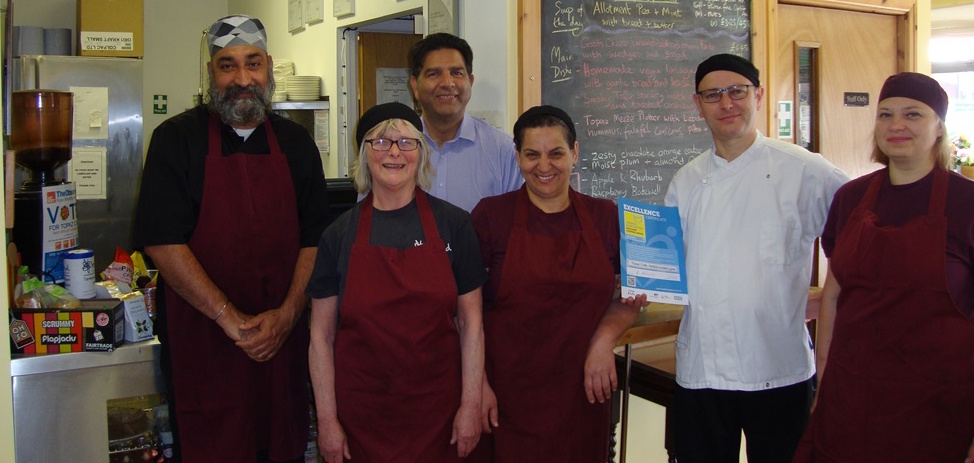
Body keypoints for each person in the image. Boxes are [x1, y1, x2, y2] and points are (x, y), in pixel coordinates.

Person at [132, 15, 330, 463]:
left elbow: (315, 240)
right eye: (227, 65)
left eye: (252, 63)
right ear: (210, 73)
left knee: (280, 445)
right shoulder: (175, 140)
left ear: (269, 67)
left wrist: (285, 317)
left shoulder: (296, 145)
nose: (242, 79)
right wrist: (230, 319)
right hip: (203, 346)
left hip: (281, 348)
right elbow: (163, 242)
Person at [663, 53, 848, 463]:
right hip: (703, 370)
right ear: (698, 105)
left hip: (778, 366)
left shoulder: (805, 170)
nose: (726, 103)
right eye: (713, 95)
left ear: (758, 95)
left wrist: (831, 297)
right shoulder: (687, 179)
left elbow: (861, 235)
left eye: (737, 91)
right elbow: (670, 262)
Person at [793, 73, 974, 463]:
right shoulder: (851, 198)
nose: (896, 125)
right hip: (853, 400)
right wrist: (824, 385)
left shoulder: (968, 204)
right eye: (885, 114)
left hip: (939, 405)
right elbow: (835, 297)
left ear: (939, 127)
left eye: (913, 114)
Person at [306, 102, 486, 462]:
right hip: (362, 415)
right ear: (364, 154)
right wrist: (327, 421)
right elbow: (320, 338)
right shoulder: (337, 235)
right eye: (381, 142)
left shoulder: (455, 224)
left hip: (439, 413)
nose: (393, 152)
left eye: (406, 142)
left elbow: (472, 325)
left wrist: (471, 405)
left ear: (420, 154)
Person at [468, 105, 645, 462]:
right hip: (506, 394)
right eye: (532, 154)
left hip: (583, 390)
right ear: (517, 157)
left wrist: (604, 339)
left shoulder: (605, 216)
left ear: (575, 153)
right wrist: (477, 386)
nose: (544, 166)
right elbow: (465, 312)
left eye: (556, 153)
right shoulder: (490, 216)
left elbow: (631, 296)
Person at [408, 33, 522, 212]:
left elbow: (517, 226)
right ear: (415, 85)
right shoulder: (393, 151)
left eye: (457, 73)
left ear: (470, 81)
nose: (447, 83)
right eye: (434, 73)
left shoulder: (503, 151)